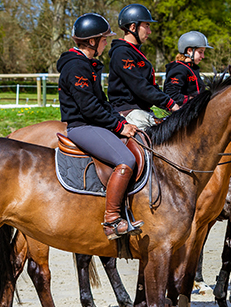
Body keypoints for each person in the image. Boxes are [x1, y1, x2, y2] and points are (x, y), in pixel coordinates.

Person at [57, 13, 143, 240]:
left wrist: (123, 122)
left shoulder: (87, 64)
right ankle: (112, 220)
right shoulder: (76, 67)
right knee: (127, 160)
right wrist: (118, 126)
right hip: (82, 126)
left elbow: (102, 102)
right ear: (92, 41)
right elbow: (89, 108)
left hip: (93, 122)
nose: (106, 43)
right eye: (104, 39)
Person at [108, 3, 179, 130]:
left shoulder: (136, 52)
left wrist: (172, 104)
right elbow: (140, 86)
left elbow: (151, 86)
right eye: (146, 26)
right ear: (133, 27)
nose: (149, 31)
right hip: (128, 112)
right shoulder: (121, 53)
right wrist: (170, 103)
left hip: (142, 111)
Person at [163, 31, 212, 107]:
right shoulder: (179, 69)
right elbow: (172, 95)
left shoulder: (193, 69)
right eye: (200, 52)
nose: (203, 56)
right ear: (189, 51)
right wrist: (195, 99)